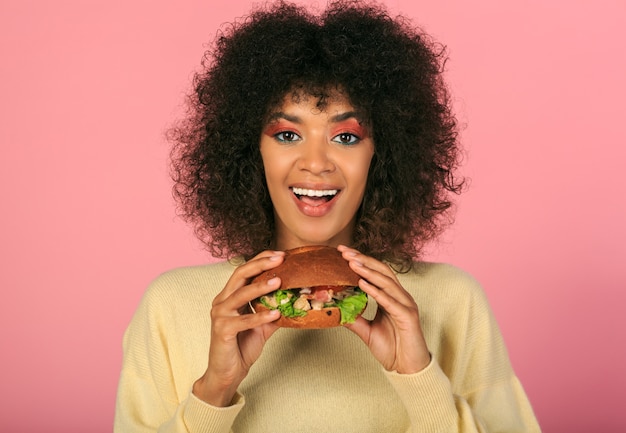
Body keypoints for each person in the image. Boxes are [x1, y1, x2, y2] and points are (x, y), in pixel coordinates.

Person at [114, 0, 541, 431]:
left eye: (345, 136)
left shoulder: (452, 300)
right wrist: (214, 391)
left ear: (384, 151)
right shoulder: (171, 304)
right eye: (287, 134)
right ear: (250, 150)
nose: (316, 162)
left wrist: (419, 378)